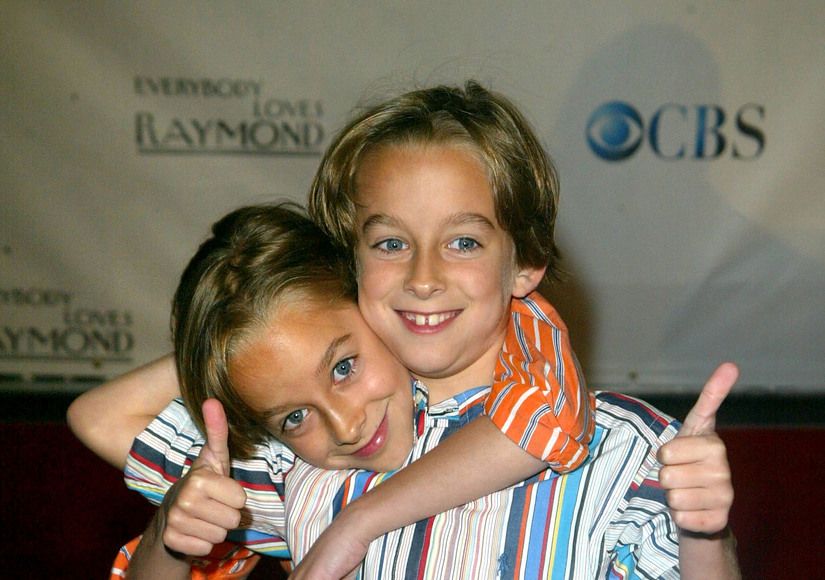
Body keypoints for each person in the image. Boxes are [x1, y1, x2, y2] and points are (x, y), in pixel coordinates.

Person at [70, 81, 738, 578]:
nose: (422, 277)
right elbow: (101, 417)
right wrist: (271, 320)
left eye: (464, 242)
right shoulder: (310, 450)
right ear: (351, 263)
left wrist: (704, 535)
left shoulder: (624, 449)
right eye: (390, 244)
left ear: (526, 263)